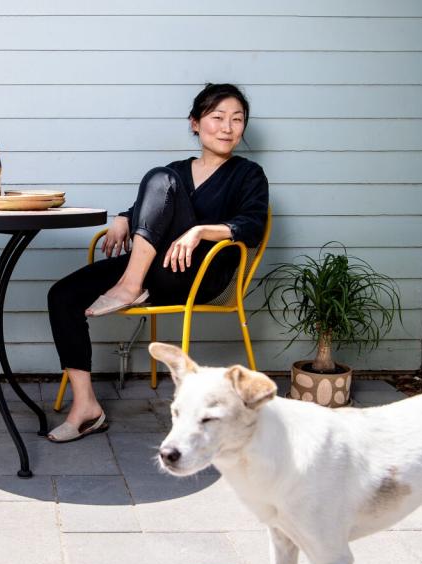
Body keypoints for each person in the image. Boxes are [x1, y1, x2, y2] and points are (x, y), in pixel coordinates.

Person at [46, 83, 269, 443]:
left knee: (161, 177)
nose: (228, 128)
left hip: (200, 276)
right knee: (63, 295)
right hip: (152, 269)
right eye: (217, 118)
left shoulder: (248, 174)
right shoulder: (176, 172)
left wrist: (200, 231)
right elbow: (150, 213)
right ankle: (86, 407)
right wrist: (123, 218)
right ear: (195, 123)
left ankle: (130, 286)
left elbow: (252, 226)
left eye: (237, 119)